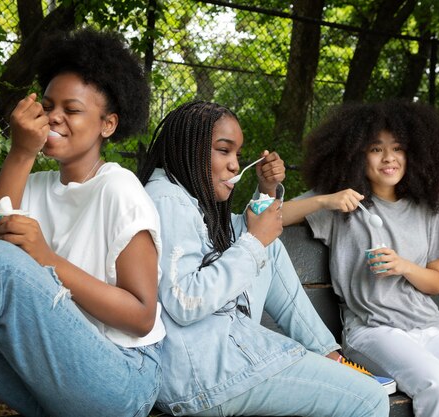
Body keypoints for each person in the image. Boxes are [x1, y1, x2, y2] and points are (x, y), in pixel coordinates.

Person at [0, 28, 165, 417]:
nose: (55, 116)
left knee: (1, 264)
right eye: (48, 105)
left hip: (121, 380)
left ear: (107, 124)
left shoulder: (119, 188)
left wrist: (46, 258)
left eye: (71, 110)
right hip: (49, 379)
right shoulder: (35, 184)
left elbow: (141, 317)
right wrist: (22, 154)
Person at [137, 100, 390, 417]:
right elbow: (186, 300)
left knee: (266, 247)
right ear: (187, 147)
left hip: (215, 351)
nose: (233, 165)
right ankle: (329, 360)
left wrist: (266, 189)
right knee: (370, 400)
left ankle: (328, 355)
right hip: (205, 376)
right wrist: (256, 241)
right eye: (223, 150)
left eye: (237, 155)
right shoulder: (168, 200)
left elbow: (244, 233)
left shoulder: (182, 195)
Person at [283, 99, 439, 417]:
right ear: (357, 154)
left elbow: (436, 283)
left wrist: (403, 266)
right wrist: (325, 200)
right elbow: (270, 216)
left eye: (398, 148)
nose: (388, 158)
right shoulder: (344, 202)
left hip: (433, 328)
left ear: (414, 153)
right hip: (374, 332)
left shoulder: (429, 207)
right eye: (375, 149)